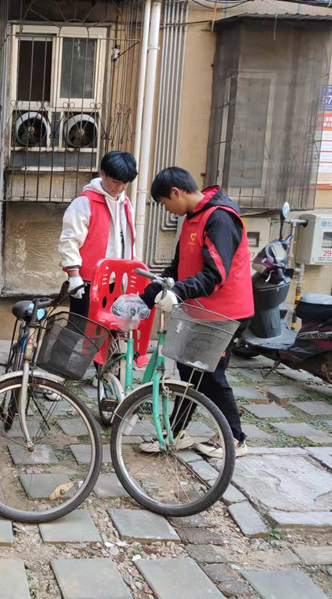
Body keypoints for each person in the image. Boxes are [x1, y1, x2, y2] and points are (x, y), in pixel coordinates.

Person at [139, 166, 253, 458]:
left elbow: (216, 275)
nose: (167, 210)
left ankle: (235, 439)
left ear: (176, 192)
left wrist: (178, 293)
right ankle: (176, 432)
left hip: (226, 311)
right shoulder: (192, 218)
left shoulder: (220, 218)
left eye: (165, 203)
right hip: (201, 310)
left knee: (211, 375)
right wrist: (149, 294)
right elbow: (177, 268)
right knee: (188, 371)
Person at [59, 151, 138, 317]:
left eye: (125, 183)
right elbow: (69, 240)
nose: (120, 187)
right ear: (102, 174)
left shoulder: (125, 203)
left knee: (111, 325)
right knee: (80, 325)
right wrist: (74, 276)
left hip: (117, 279)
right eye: (116, 182)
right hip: (87, 280)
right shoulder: (84, 202)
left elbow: (128, 239)